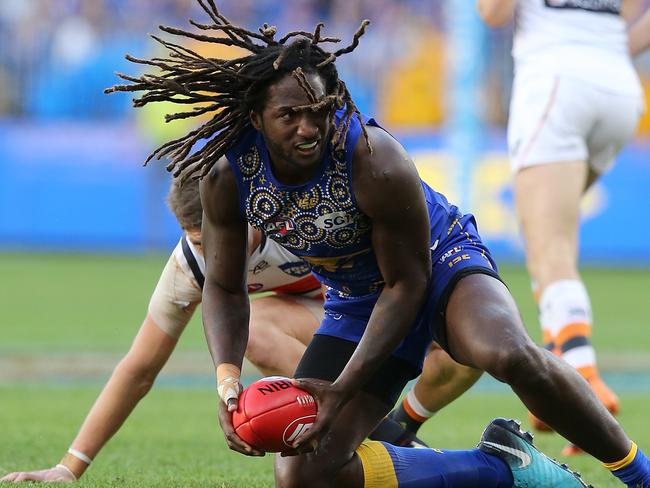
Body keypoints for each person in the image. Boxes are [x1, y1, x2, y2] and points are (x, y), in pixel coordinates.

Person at [104, 3, 650, 487]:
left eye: (316, 109)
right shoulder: (227, 174)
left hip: (438, 265)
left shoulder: (373, 158)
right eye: (288, 115)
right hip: (359, 299)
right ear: (255, 118)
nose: (307, 127)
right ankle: (504, 468)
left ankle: (638, 474)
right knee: (302, 474)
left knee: (504, 352)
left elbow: (409, 285)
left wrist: (344, 387)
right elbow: (224, 287)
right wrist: (228, 384)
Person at [0, 177, 325, 483]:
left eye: (216, 236)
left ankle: (355, 414)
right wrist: (68, 467)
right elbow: (139, 368)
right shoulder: (189, 268)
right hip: (318, 322)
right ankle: (346, 426)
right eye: (198, 242)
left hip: (361, 318)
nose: (210, 252)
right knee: (252, 330)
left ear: (244, 214)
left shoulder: (297, 219)